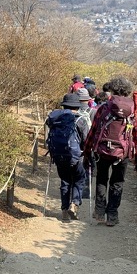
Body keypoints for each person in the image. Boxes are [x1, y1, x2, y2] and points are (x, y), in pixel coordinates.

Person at [83, 76, 137, 227]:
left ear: (112, 89)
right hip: (122, 153)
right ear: (127, 91)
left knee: (102, 179)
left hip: (102, 151)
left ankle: (99, 211)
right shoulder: (132, 111)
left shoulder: (104, 108)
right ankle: (112, 215)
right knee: (117, 182)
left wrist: (87, 151)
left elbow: (93, 131)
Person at [45, 93, 89, 221]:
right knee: (79, 179)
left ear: (64, 106)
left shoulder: (55, 119)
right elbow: (86, 140)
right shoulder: (81, 120)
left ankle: (64, 210)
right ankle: (74, 203)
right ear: (78, 106)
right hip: (77, 156)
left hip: (59, 155)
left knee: (65, 181)